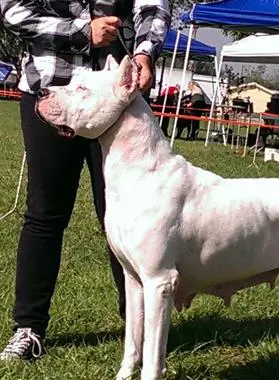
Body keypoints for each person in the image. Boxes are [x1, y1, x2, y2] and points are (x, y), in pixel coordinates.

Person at [0, 0, 171, 361]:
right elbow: (12, 12)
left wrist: (144, 52)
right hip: (52, 88)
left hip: (117, 96)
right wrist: (81, 33)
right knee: (45, 213)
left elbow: (153, 5)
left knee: (130, 215)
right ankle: (29, 329)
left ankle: (140, 329)